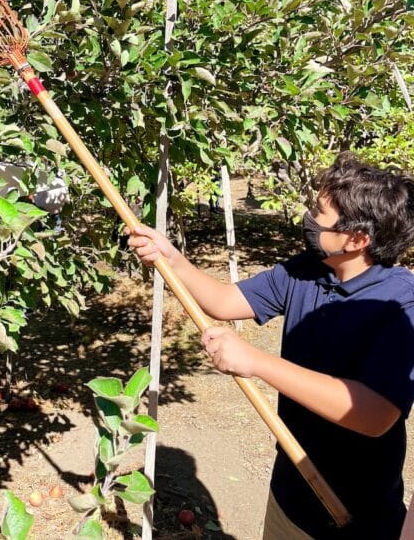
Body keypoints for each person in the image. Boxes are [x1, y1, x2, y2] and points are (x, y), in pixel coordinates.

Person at [127, 152, 414, 539]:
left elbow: (374, 415)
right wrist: (172, 259)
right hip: (291, 491)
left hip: (355, 513)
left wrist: (256, 362)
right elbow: (226, 301)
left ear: (357, 239)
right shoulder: (308, 271)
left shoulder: (400, 305)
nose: (309, 218)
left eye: (320, 213)